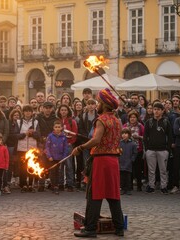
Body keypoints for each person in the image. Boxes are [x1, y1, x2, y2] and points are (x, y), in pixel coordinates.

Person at [72, 88, 125, 238]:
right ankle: (119, 228)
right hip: (114, 161)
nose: (97, 105)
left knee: (94, 194)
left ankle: (90, 228)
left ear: (105, 104)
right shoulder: (117, 120)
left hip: (101, 161)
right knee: (113, 195)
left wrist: (80, 147)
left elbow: (96, 140)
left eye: (99, 102)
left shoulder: (101, 119)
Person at [143, 102, 173, 194]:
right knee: (151, 170)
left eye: (158, 109)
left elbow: (170, 136)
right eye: (155, 109)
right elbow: (145, 136)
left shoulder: (166, 122)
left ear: (162, 111)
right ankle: (151, 186)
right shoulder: (149, 122)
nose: (156, 111)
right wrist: (147, 148)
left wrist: (167, 149)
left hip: (163, 150)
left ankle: (163, 186)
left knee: (163, 170)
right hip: (151, 150)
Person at [45, 120, 69, 195]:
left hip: (60, 158)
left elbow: (66, 148)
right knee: (53, 172)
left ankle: (57, 185)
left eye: (59, 127)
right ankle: (53, 185)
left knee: (59, 172)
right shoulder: (50, 136)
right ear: (53, 128)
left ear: (62, 128)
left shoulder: (64, 137)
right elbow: (47, 147)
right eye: (56, 127)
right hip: (52, 158)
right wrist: (49, 156)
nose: (57, 128)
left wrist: (64, 157)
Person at [119, 128, 137, 195]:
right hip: (121, 162)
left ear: (129, 135)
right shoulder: (119, 143)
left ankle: (128, 189)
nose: (124, 135)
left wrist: (132, 160)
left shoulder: (133, 144)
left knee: (128, 177)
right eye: (123, 133)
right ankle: (122, 188)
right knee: (121, 177)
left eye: (126, 133)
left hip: (128, 163)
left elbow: (135, 153)